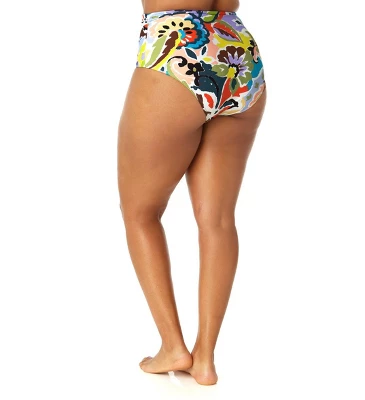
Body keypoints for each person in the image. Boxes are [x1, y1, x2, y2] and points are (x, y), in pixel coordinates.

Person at [117, 0, 267, 386]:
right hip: (237, 50)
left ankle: (173, 346)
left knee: (140, 212)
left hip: (176, 48)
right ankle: (205, 360)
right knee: (218, 219)